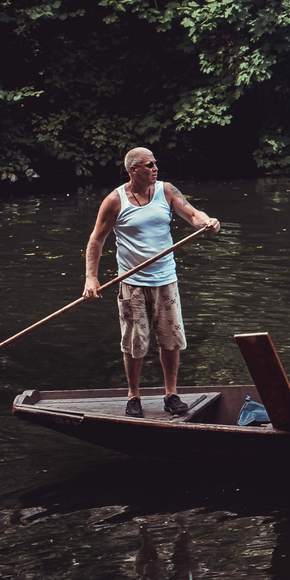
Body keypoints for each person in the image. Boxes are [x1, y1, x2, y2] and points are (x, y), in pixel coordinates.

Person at [83, 147, 221, 418]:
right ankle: (133, 395)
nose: (155, 168)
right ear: (133, 169)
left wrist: (207, 221)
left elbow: (193, 214)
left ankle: (171, 394)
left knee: (171, 341)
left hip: (166, 281)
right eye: (149, 164)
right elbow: (96, 240)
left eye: (155, 163)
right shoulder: (115, 200)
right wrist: (91, 277)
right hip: (132, 283)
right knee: (135, 343)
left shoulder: (166, 191)